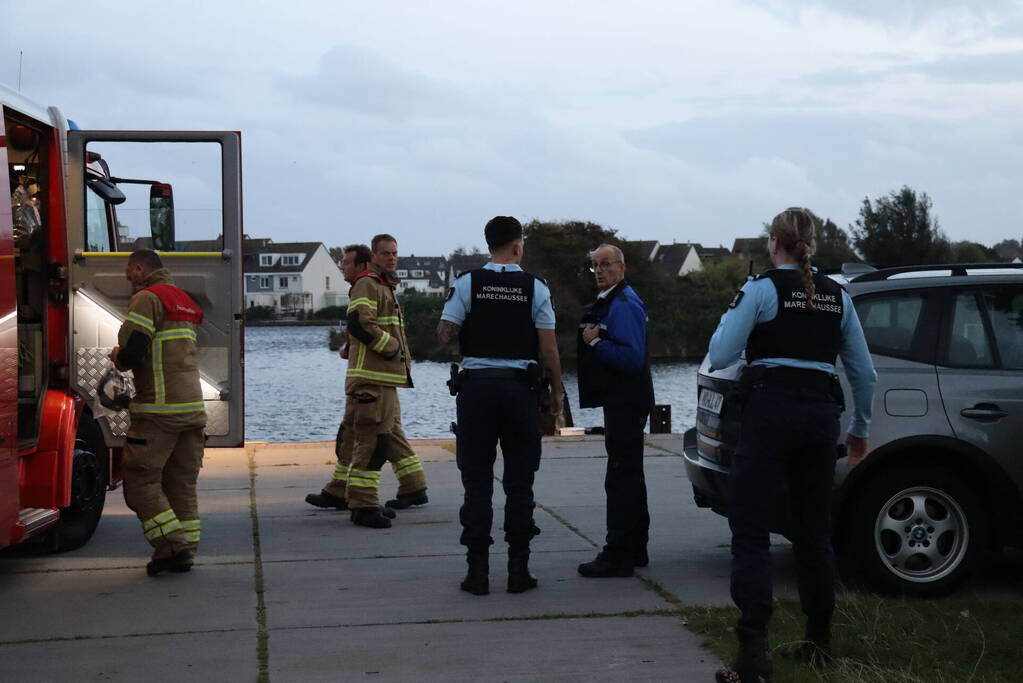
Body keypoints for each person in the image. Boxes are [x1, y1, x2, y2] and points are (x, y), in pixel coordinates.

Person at [708, 208, 876, 683]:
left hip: (768, 413)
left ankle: (753, 656)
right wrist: (859, 427)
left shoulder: (760, 291)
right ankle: (819, 640)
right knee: (813, 533)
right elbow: (864, 373)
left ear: (772, 242)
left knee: (751, 531)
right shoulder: (837, 297)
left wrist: (731, 312)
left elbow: (722, 354)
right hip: (820, 418)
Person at [437, 216, 564, 595]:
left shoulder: (467, 283)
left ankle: (476, 573)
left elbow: (445, 335)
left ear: (488, 244)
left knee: (476, 483)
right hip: (519, 393)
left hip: (476, 392)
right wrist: (556, 393)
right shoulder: (535, 288)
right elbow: (549, 349)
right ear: (518, 246)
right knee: (520, 482)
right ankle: (518, 570)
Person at [305, 244, 428, 512]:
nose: (342, 267)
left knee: (366, 437)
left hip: (372, 378)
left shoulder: (369, 284)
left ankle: (359, 499)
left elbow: (361, 324)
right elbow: (361, 325)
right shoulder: (380, 286)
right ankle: (410, 484)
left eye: (346, 262)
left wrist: (390, 348)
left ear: (363, 263)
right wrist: (351, 348)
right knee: (367, 433)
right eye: (387, 253)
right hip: (380, 376)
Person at [110, 249, 207, 576]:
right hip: (193, 409)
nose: (127, 280)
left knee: (139, 481)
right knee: (180, 483)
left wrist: (117, 358)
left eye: (128, 273)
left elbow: (135, 349)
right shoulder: (183, 301)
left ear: (139, 269)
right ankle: (183, 552)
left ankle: (173, 544)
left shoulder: (147, 299)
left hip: (159, 411)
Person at [576, 244, 654, 579]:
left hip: (627, 400)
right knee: (630, 474)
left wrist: (595, 343)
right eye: (594, 265)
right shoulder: (614, 300)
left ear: (622, 268)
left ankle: (617, 554)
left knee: (620, 477)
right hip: (623, 400)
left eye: (606, 264)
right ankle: (635, 548)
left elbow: (632, 358)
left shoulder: (623, 304)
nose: (599, 270)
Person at [341, 234, 427, 528]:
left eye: (394, 253)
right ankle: (363, 505)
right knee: (371, 442)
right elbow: (360, 322)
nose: (391, 258)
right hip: (371, 380)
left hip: (385, 378)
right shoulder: (368, 283)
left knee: (383, 438)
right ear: (373, 257)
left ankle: (406, 489)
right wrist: (391, 348)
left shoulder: (383, 286)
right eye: (385, 253)